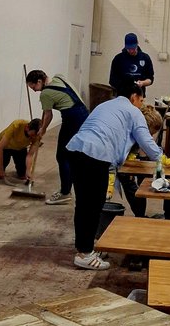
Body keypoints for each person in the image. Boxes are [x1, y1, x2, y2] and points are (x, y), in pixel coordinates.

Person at [66, 78, 163, 270]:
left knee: (84, 204)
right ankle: (85, 253)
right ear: (134, 96)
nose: (141, 104)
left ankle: (84, 249)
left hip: (76, 150)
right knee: (93, 205)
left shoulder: (105, 105)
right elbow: (147, 142)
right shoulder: (133, 111)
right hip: (95, 155)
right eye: (141, 100)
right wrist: (163, 159)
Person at [25, 70, 89, 205]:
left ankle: (65, 193)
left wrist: (42, 129)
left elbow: (48, 116)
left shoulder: (45, 94)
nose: (34, 91)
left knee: (62, 155)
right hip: (84, 114)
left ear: (39, 82)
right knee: (73, 154)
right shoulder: (59, 77)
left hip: (72, 118)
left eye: (33, 87)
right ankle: (71, 188)